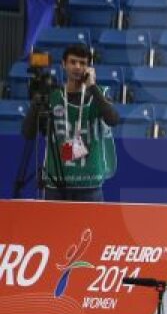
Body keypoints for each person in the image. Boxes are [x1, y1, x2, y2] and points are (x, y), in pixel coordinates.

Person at [21, 43, 118, 201]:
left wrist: (92, 87)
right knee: (54, 227)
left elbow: (113, 119)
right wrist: (36, 102)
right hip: (56, 184)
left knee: (90, 227)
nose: (77, 67)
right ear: (63, 64)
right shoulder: (52, 95)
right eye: (73, 62)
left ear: (89, 68)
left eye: (83, 63)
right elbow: (28, 132)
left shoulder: (100, 93)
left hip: (90, 184)